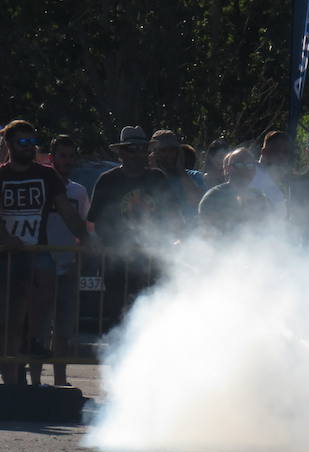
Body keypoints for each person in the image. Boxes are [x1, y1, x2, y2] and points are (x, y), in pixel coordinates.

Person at [0, 120, 88, 384]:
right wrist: (6, 238)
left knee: (44, 294)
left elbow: (68, 211)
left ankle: (36, 342)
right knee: (11, 321)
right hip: (7, 255)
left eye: (32, 142)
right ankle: (12, 382)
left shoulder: (46, 175)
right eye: (22, 142)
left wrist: (86, 237)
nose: (28, 147)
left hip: (37, 250)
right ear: (9, 144)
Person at [88, 126, 181, 328]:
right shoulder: (108, 180)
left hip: (152, 259)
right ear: (121, 152)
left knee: (153, 314)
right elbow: (95, 221)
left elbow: (173, 216)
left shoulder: (157, 179)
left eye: (142, 148)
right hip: (116, 262)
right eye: (132, 148)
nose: (139, 153)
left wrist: (172, 240)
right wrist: (107, 243)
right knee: (119, 317)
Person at [30, 135, 91, 386]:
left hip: (68, 265)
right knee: (38, 328)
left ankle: (60, 380)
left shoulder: (79, 191)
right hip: (41, 265)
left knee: (64, 329)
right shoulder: (41, 186)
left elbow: (85, 225)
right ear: (51, 158)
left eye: (70, 156)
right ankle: (33, 381)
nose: (66, 161)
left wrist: (82, 255)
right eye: (61, 156)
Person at [198, 148, 270, 234]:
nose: (244, 170)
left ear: (254, 171)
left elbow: (266, 231)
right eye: (239, 164)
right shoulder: (213, 198)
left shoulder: (260, 198)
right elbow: (210, 235)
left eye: (250, 165)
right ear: (227, 169)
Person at [149, 129, 205, 220]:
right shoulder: (147, 179)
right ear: (154, 154)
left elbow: (199, 203)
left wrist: (181, 171)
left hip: (192, 232)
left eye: (172, 150)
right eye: (163, 150)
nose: (169, 154)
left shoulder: (195, 176)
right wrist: (156, 171)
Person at [250, 130, 291, 219]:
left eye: (286, 152)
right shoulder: (249, 173)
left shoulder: (280, 186)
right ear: (264, 152)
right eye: (277, 150)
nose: (281, 156)